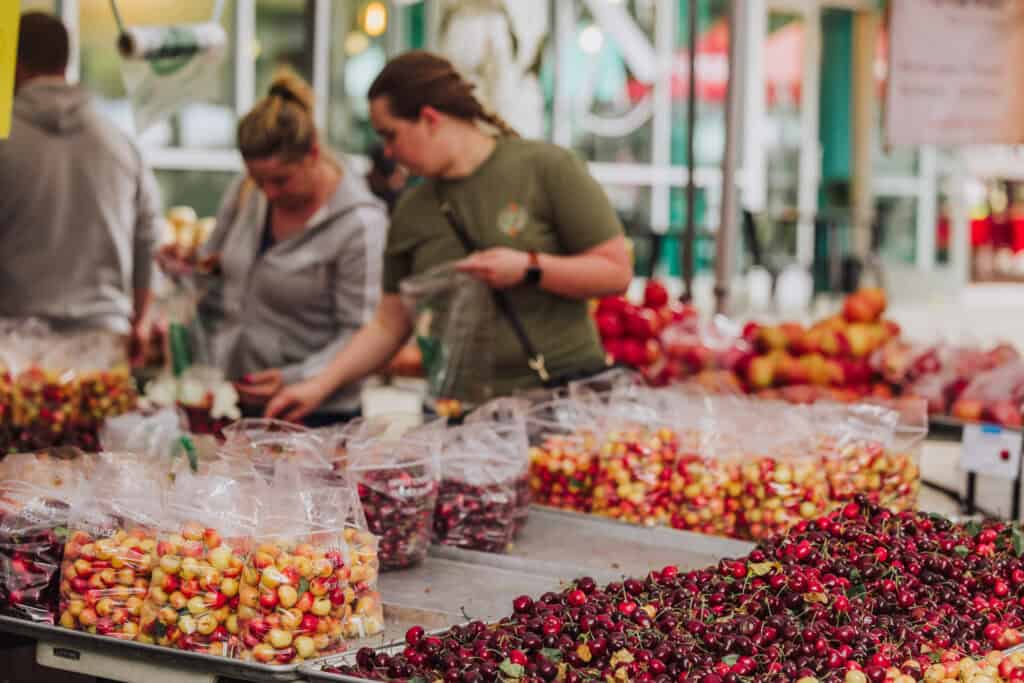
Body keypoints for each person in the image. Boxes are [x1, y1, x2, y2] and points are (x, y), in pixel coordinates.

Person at [267, 50, 632, 422]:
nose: (388, 152)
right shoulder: (412, 209)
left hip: (560, 404)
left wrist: (529, 268)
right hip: (461, 418)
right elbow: (388, 324)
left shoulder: (546, 168)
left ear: (429, 119)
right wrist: (318, 385)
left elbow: (615, 272)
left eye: (390, 135)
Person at [178, 69, 387, 427]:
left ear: (313, 154)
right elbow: (213, 266)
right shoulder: (248, 190)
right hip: (237, 398)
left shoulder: (360, 223)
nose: (269, 193)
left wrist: (295, 377)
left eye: (281, 180)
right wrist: (188, 268)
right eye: (259, 180)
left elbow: (361, 334)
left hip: (318, 411)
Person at [0, 12, 160, 363]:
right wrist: (142, 320)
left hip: (12, 349)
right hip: (102, 342)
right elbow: (148, 238)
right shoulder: (121, 142)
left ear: (13, 62)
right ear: (65, 59)